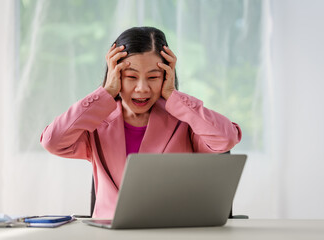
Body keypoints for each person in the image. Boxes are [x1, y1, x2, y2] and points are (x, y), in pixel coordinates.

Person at [40, 26, 242, 218]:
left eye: (153, 77)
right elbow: (52, 141)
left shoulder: (185, 121)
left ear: (166, 76)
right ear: (115, 75)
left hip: (171, 233)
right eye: (131, 76)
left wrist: (173, 96)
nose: (142, 88)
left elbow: (225, 139)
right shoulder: (96, 124)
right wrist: (106, 93)